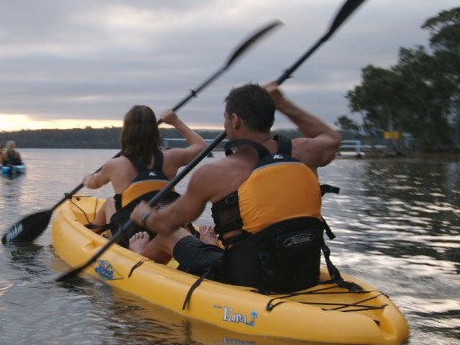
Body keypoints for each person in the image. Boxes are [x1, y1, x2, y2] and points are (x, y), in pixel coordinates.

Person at [129, 82, 342, 293]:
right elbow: (332, 139)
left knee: (170, 235)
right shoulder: (305, 152)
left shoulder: (215, 173)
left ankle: (138, 261)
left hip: (247, 280)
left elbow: (166, 224)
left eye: (225, 118)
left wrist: (146, 215)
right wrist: (282, 102)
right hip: (306, 274)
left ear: (235, 120)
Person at [80, 106, 208, 260]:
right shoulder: (172, 157)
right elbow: (202, 147)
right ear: (155, 132)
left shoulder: (115, 165)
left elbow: (94, 184)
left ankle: (91, 234)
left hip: (130, 236)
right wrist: (176, 122)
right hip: (164, 229)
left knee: (109, 202)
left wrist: (88, 178)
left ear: (126, 132)